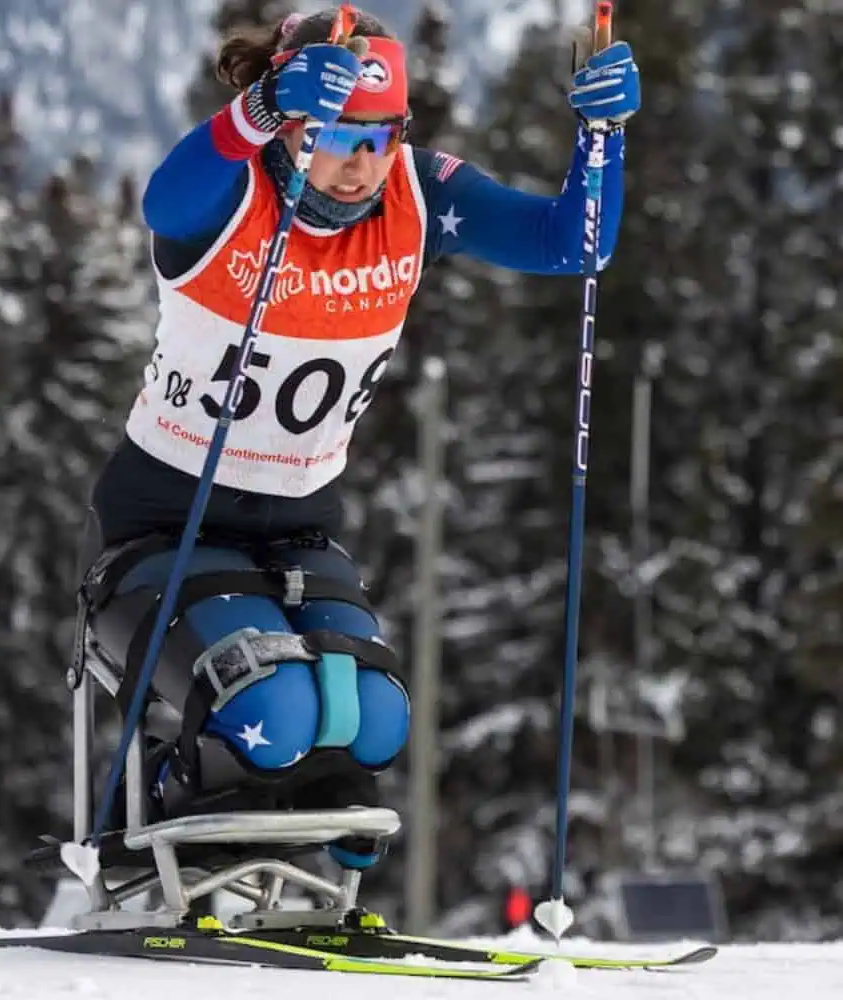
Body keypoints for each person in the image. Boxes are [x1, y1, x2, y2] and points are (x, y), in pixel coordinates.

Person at [78, 6, 641, 866]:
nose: (360, 165)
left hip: (299, 525)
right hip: (164, 517)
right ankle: (151, 806)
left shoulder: (420, 194)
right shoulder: (235, 190)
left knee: (371, 722)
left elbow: (575, 247)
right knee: (280, 713)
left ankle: (303, 870)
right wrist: (256, 114)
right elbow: (165, 199)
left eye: (381, 138)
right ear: (294, 123)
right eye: (337, 136)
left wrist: (604, 139)